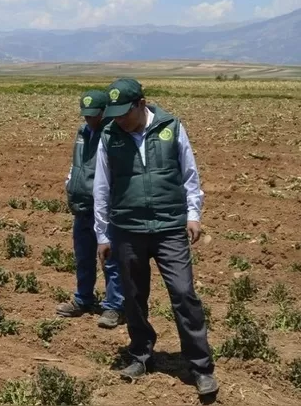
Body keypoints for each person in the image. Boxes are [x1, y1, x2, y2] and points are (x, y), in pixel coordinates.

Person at [92, 78, 218, 396]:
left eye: (124, 112)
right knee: (133, 298)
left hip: (169, 228)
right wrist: (103, 234)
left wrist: (193, 214)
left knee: (184, 293)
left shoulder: (172, 127)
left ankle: (200, 367)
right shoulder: (110, 135)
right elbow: (102, 188)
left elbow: (189, 173)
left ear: (142, 103)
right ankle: (141, 355)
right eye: (114, 113)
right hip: (128, 229)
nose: (119, 119)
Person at [57, 89, 125, 329]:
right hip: (82, 205)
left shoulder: (112, 134)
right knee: (83, 256)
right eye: (85, 115)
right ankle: (83, 298)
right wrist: (70, 181)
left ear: (105, 111)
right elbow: (78, 164)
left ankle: (115, 306)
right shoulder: (82, 133)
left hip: (104, 208)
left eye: (93, 114)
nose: (89, 119)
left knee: (110, 258)